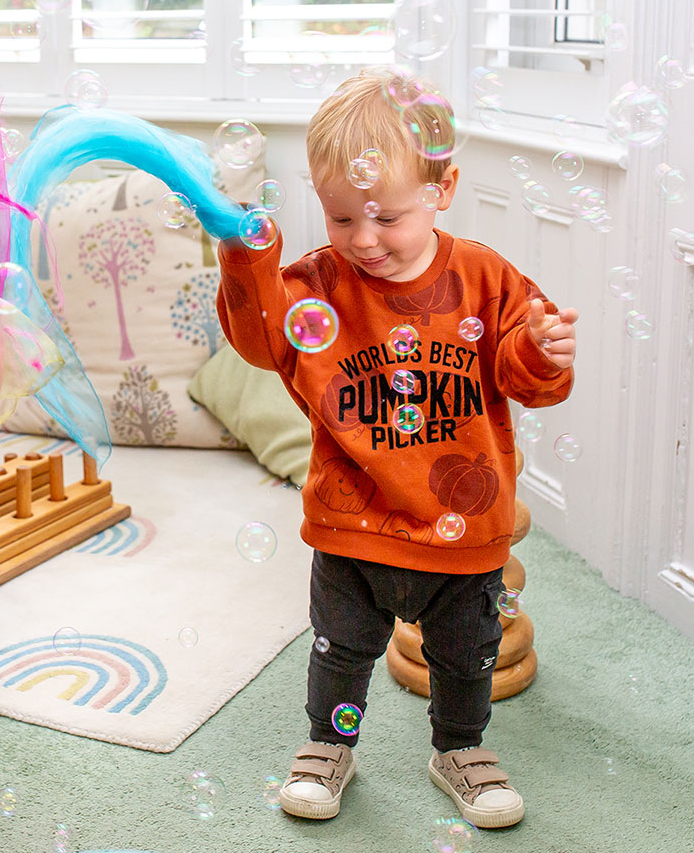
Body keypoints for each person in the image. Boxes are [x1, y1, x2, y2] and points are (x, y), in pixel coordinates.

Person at [216, 68, 578, 828]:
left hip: (462, 529)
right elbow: (257, 340)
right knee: (340, 650)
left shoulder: (485, 278)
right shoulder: (316, 281)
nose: (364, 240)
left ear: (442, 188)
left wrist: (543, 349)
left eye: (386, 217)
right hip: (353, 525)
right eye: (342, 218)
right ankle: (327, 745)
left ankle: (460, 749)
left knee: (465, 655)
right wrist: (247, 255)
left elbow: (529, 380)